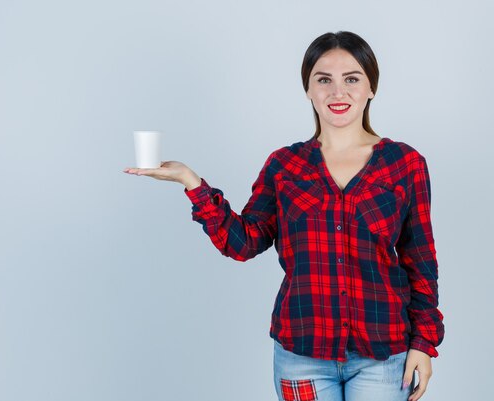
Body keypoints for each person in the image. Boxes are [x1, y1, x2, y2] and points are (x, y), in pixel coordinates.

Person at [123, 31, 444, 401]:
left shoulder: (404, 164)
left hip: (383, 355)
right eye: (324, 80)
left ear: (371, 87)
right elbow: (241, 243)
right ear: (308, 89)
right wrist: (190, 181)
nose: (338, 93)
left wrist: (423, 343)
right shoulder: (284, 166)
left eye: (351, 79)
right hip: (301, 355)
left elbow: (420, 261)